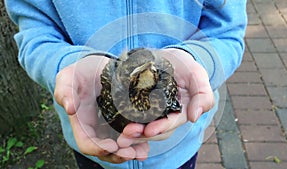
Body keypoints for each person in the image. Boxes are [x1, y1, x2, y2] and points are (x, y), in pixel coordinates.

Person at [5, 0, 247, 168]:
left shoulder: (164, 85)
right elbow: (36, 35)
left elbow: (226, 32)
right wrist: (69, 65)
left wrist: (197, 60)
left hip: (178, 144)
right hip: (91, 132)